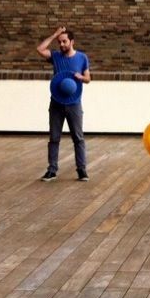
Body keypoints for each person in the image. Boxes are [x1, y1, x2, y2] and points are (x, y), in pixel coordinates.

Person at [37, 26, 91, 182]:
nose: (61, 45)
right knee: (54, 138)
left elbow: (88, 79)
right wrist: (54, 35)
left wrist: (80, 77)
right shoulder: (55, 56)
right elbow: (40, 49)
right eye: (59, 42)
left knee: (78, 138)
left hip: (74, 104)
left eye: (64, 41)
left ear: (72, 42)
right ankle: (52, 170)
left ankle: (82, 170)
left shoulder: (82, 58)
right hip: (56, 103)